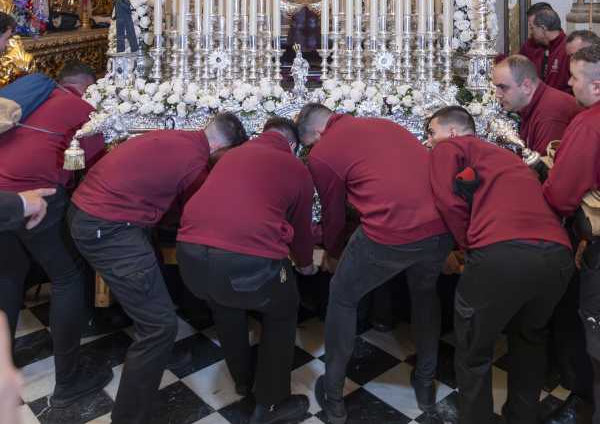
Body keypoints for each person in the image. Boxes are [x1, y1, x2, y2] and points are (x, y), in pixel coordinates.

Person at [70, 113, 248, 424]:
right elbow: (205, 211)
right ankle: (129, 418)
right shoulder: (196, 162)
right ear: (221, 145)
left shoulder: (176, 137)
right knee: (159, 326)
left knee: (152, 282)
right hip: (109, 228)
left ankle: (161, 353)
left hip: (90, 210)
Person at [295, 103, 452, 421]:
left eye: (309, 144)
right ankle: (425, 383)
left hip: (389, 232)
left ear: (315, 134)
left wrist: (335, 253)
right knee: (424, 294)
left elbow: (333, 213)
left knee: (342, 297)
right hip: (440, 225)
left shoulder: (322, 152)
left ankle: (334, 396)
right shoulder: (383, 123)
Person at [428, 105, 573, 424]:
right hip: (557, 256)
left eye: (431, 133)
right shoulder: (507, 157)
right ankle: (523, 416)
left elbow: (447, 201)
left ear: (451, 132)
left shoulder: (450, 147)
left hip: (500, 255)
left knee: (474, 348)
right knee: (530, 338)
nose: (429, 141)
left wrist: (466, 247)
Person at [177, 117, 316, 424]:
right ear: (292, 145)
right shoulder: (295, 167)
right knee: (284, 309)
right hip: (244, 259)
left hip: (189, 254)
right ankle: (272, 403)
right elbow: (302, 229)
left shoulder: (229, 155)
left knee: (225, 305)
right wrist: (305, 264)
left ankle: (242, 381)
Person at [0, 61, 107, 408]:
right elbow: (86, 161)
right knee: (67, 276)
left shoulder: (31, 96)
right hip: (37, 198)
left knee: (8, 274)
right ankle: (69, 380)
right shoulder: (83, 109)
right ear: (87, 86)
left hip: (1, 199)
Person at [544, 44, 600, 423]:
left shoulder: (589, 122)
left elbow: (562, 196)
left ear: (596, 86)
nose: (568, 83)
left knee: (593, 329)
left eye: (575, 77)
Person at [492, 55, 579, 154]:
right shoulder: (530, 105)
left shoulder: (550, 112)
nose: (497, 95)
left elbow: (543, 166)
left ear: (526, 86)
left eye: (503, 87)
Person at [529, 7, 571, 92]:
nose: (531, 32)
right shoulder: (542, 46)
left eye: (532, 28)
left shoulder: (568, 49)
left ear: (543, 29)